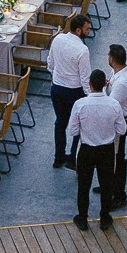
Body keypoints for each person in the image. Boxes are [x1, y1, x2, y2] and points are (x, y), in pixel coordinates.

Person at [67, 69, 127, 231]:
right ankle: (105, 218)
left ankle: (82, 218)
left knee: (83, 186)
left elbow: (72, 131)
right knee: (107, 185)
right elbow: (122, 129)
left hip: (86, 150)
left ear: (90, 84)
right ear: (104, 85)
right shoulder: (113, 104)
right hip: (106, 151)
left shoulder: (80, 104)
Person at [48, 11, 93, 170]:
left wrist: (55, 78)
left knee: (60, 123)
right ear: (79, 30)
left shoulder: (58, 38)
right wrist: (90, 96)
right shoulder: (82, 50)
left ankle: (58, 157)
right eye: (87, 29)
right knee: (79, 125)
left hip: (57, 89)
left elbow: (50, 63)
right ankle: (73, 157)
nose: (89, 31)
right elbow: (85, 77)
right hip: (75, 93)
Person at [106, 42, 127, 209]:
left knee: (117, 159)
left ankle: (119, 195)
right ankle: (111, 186)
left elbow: (111, 106)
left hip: (119, 122)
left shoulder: (122, 83)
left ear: (112, 59)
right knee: (113, 157)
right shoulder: (118, 72)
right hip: (119, 119)